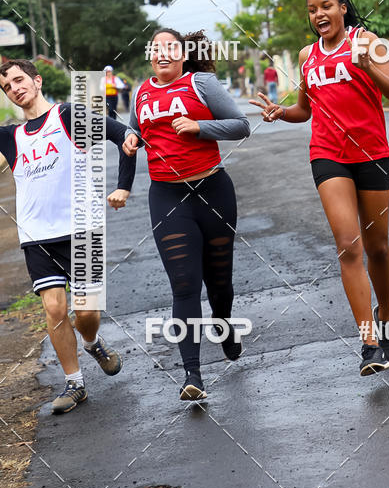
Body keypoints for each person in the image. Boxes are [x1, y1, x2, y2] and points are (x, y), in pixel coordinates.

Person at [250, 0, 389, 377]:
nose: (319, 14)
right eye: (312, 10)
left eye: (326, 6)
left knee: (378, 247)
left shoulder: (367, 42)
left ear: (342, 8)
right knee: (348, 245)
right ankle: (369, 343)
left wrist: (368, 67)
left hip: (371, 153)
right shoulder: (307, 55)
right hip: (328, 155)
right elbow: (305, 109)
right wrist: (280, 112)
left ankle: (386, 314)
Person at [0, 59, 134, 414]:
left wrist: (123, 186)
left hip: (82, 229)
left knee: (86, 313)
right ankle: (75, 383)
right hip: (37, 235)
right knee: (55, 309)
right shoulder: (9, 137)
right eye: (7, 86)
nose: (15, 88)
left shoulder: (68, 116)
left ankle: (91, 342)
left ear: (37, 80)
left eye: (19, 80)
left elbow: (122, 135)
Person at [123, 28, 250, 402]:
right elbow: (132, 138)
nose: (162, 53)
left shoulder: (201, 83)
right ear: (150, 56)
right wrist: (129, 145)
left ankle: (223, 322)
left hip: (213, 192)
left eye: (170, 47)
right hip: (168, 197)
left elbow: (241, 125)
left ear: (183, 54)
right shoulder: (141, 93)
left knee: (219, 282)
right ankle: (192, 375)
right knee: (184, 285)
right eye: (156, 48)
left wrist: (199, 127)